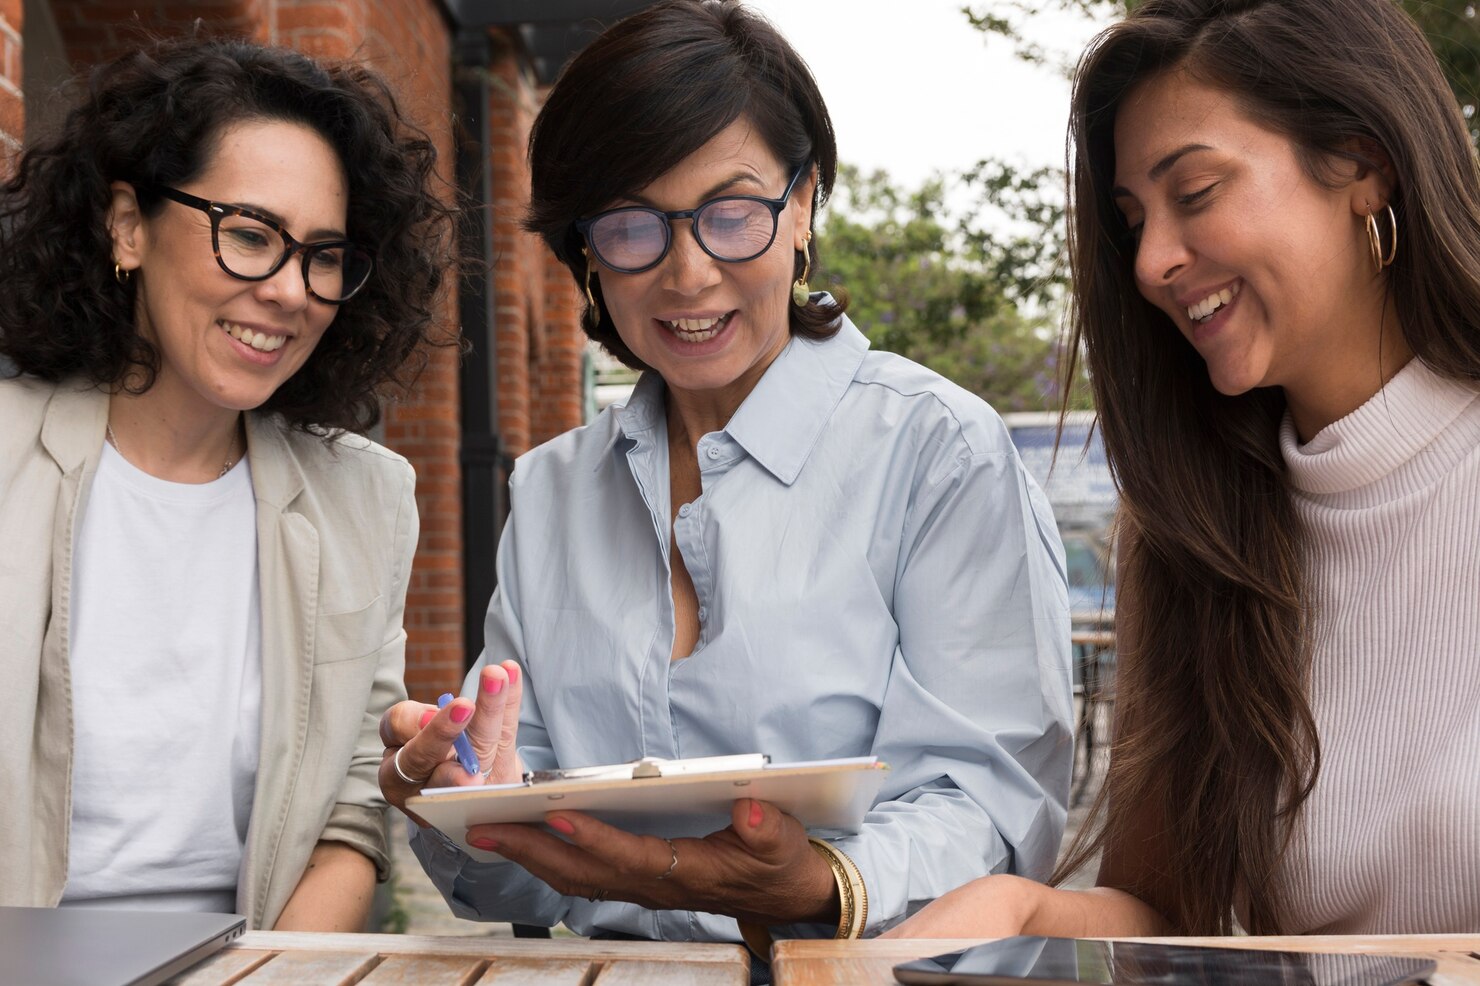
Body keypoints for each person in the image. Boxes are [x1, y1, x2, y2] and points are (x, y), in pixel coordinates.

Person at [378, 0, 1073, 957]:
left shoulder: (939, 452)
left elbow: (997, 805)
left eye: (732, 213)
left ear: (804, 204)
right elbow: (506, 871)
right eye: (631, 226)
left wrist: (826, 883)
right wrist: (458, 805)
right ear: (586, 251)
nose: (688, 273)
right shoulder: (550, 491)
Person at [889, 0, 1480, 939]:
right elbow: (1171, 919)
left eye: (1196, 191)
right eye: (1133, 221)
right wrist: (1027, 908)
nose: (1154, 262)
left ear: (1364, 165)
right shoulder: (1186, 537)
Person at [0, 36, 454, 930]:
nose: (290, 290)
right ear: (128, 226)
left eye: (324, 255)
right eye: (249, 234)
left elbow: (350, 821)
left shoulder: (364, 500)